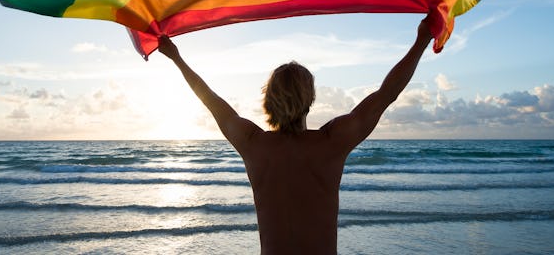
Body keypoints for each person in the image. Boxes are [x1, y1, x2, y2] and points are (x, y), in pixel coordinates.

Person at [157, 16, 434, 254]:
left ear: (269, 98)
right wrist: (421, 40)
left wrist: (177, 58)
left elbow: (209, 99)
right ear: (310, 98)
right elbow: (387, 94)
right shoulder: (331, 142)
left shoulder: (252, 144)